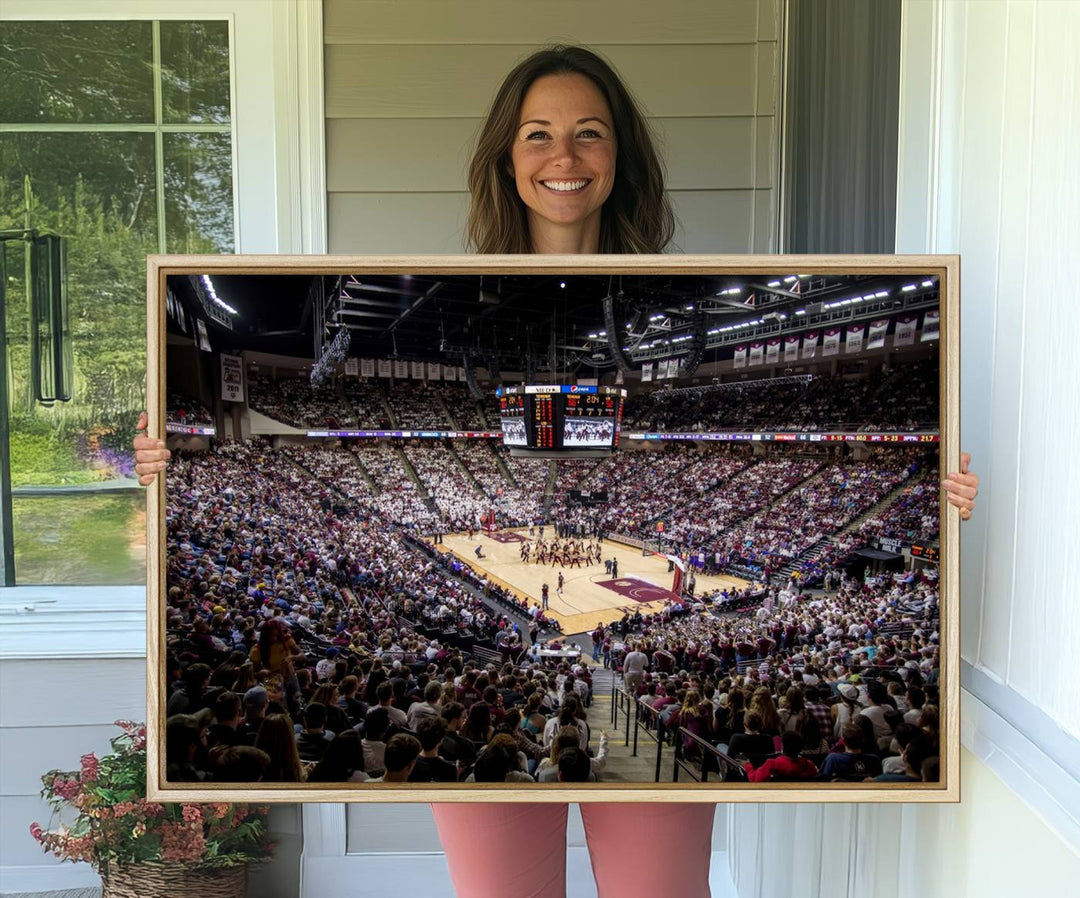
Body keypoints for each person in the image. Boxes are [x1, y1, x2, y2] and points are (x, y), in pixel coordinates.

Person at [135, 43, 980, 898]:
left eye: (589, 133)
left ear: (621, 158)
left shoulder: (689, 291)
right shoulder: (441, 280)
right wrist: (167, 471)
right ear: (506, 158)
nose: (563, 156)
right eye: (537, 134)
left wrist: (941, 490)